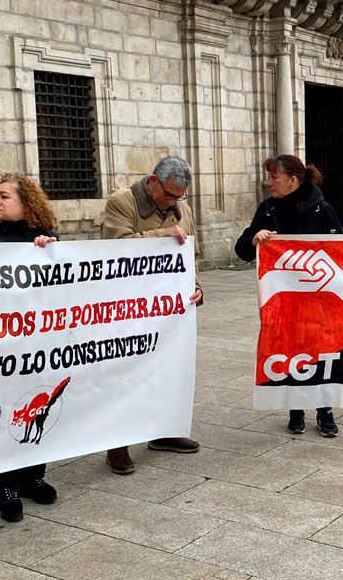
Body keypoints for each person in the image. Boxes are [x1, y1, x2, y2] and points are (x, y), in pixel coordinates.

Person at [0, 173, 60, 523]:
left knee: (36, 408)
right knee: (1, 411)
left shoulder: (46, 241)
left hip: (34, 345)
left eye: (4, 196)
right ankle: (5, 486)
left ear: (27, 204)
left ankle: (33, 477)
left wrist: (49, 253)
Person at [99, 156, 203, 474]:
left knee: (167, 368)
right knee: (125, 372)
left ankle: (163, 431)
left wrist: (196, 286)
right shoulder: (121, 202)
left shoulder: (181, 209)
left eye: (179, 196)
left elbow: (187, 255)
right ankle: (117, 445)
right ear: (153, 181)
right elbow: (116, 247)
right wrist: (163, 235)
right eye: (169, 195)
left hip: (164, 311)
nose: (174, 202)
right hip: (126, 307)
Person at [235, 155, 343, 437]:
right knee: (290, 350)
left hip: (319, 299)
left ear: (293, 181)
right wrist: (254, 239)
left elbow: (340, 253)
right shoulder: (268, 208)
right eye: (269, 176)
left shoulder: (322, 209)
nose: (269, 182)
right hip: (285, 301)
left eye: (274, 177)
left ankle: (325, 410)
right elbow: (242, 249)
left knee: (321, 352)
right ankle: (296, 409)